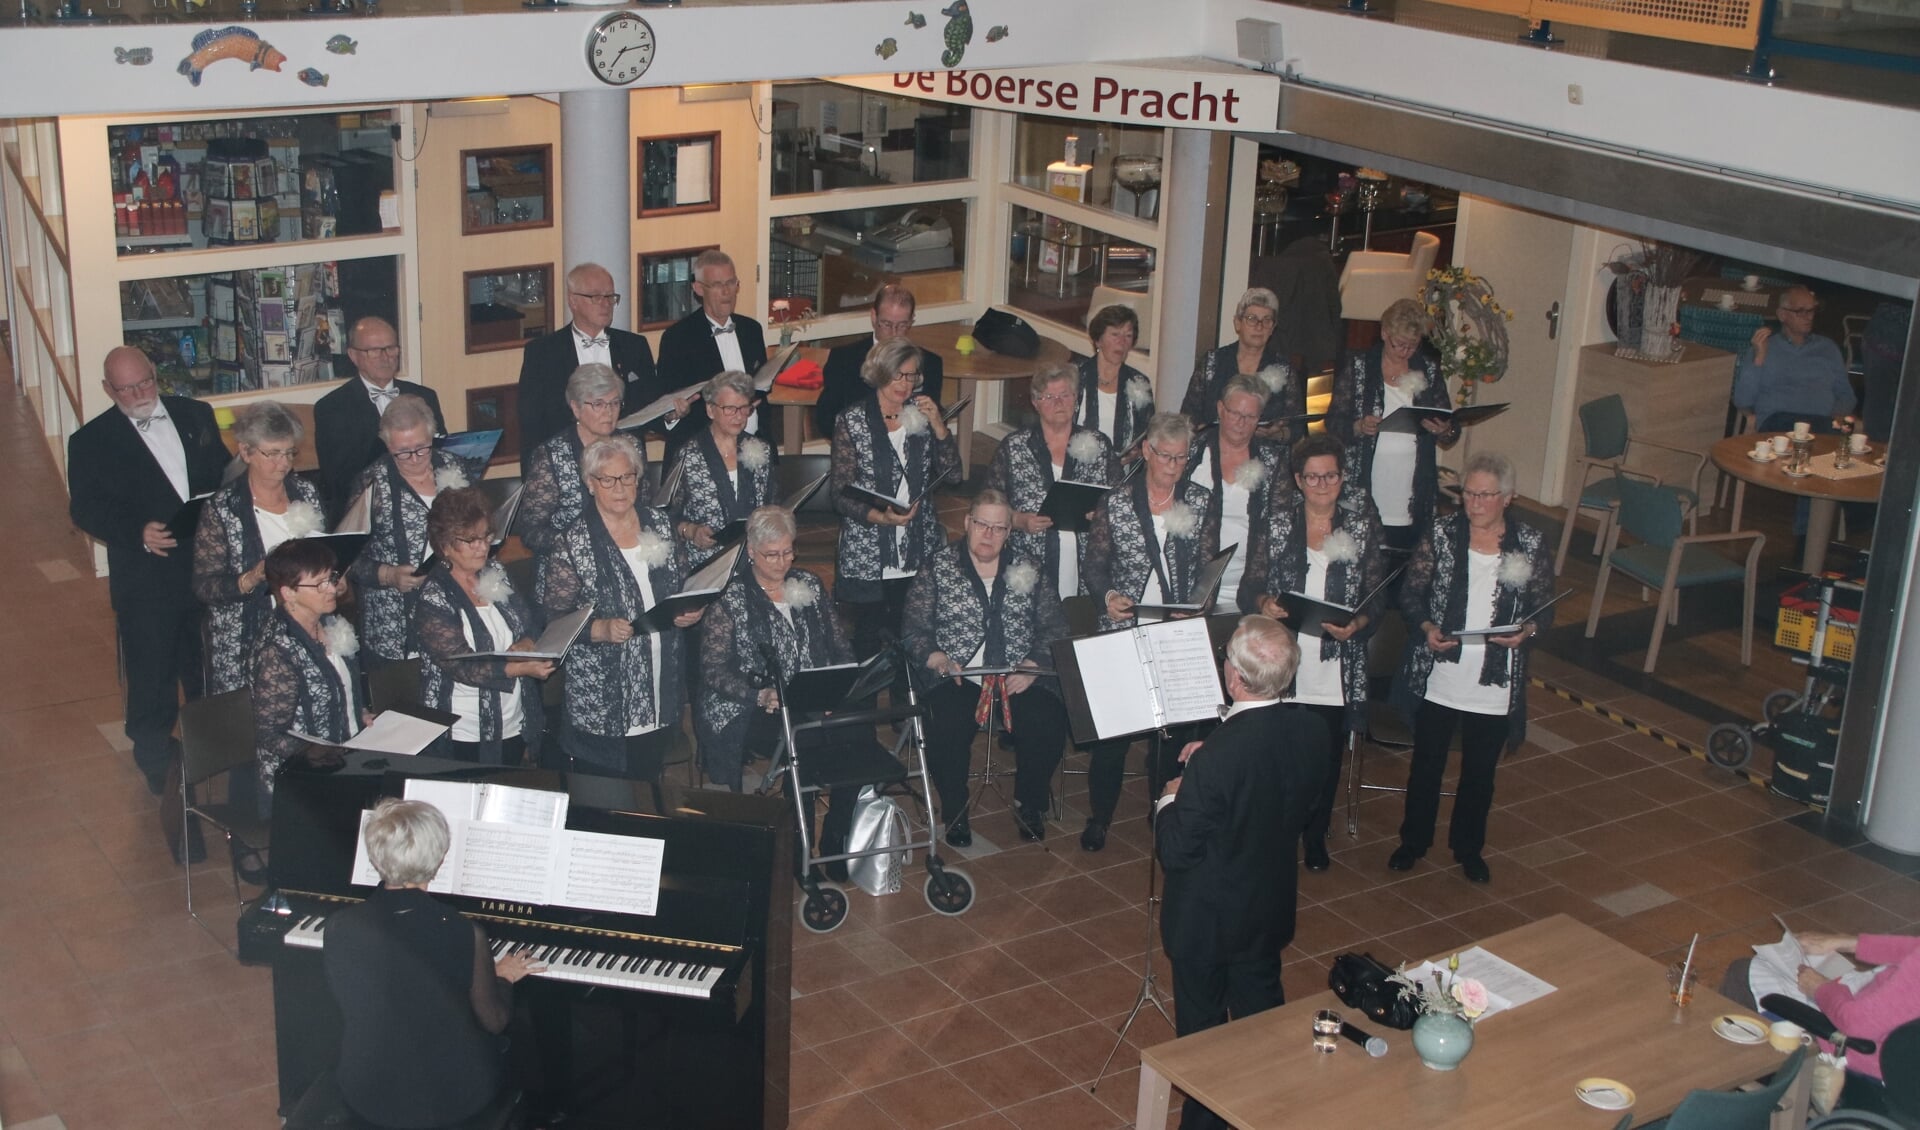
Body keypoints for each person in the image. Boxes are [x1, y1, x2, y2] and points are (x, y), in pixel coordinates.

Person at [1156, 615, 1328, 1130]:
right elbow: (1282, 795)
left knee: (1205, 1039)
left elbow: (1177, 850)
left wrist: (1171, 796)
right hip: (1267, 904)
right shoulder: (1314, 730)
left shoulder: (1217, 760)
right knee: (1261, 1023)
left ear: (1234, 679)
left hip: (1207, 920)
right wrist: (1210, 766)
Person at [67, 346, 230, 794]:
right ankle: (156, 755)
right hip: (146, 577)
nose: (140, 393)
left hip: (204, 564)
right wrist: (138, 532)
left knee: (206, 662)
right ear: (107, 389)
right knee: (152, 668)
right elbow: (85, 508)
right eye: (127, 388)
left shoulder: (195, 413)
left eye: (146, 382)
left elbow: (220, 475)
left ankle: (213, 742)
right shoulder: (90, 441)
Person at [323, 798, 541, 1129]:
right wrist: (503, 978)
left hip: (366, 1087)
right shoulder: (462, 930)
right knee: (518, 1049)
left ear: (375, 855)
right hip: (450, 1099)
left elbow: (382, 990)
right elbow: (494, 1021)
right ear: (439, 861)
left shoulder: (340, 924)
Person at [1388, 452, 1555, 884]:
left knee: (1480, 774)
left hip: (1495, 680)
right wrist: (1426, 627)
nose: (1474, 503)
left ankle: (1468, 848)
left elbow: (1544, 609)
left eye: (1485, 495)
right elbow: (1411, 595)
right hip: (1443, 673)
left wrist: (1527, 632)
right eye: (1467, 493)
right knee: (1426, 765)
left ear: (1508, 497)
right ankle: (1413, 841)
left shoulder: (1531, 543)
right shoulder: (1442, 535)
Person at [1238, 434, 1386, 871]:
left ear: (1343, 477)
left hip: (1335, 665)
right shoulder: (1277, 521)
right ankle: (1273, 834)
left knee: (1324, 759)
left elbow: (1376, 599)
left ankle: (1315, 835)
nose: (1323, 484)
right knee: (1275, 757)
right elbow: (1251, 584)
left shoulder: (1361, 526)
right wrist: (1265, 603)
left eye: (1332, 475)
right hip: (1284, 661)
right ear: (1298, 480)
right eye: (1313, 476)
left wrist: (1357, 624)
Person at [696, 507, 867, 878]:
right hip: (753, 704)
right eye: (772, 554)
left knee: (858, 735)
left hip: (810, 697)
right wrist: (759, 695)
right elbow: (712, 669)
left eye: (789, 552)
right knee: (801, 746)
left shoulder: (808, 583)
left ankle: (836, 839)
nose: (783, 561)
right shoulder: (731, 599)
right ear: (752, 552)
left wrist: (836, 684)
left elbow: (841, 645)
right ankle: (799, 853)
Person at [1079, 412, 1220, 852]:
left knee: (1174, 734)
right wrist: (1107, 598)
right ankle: (1100, 815)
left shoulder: (1200, 499)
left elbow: (1208, 567)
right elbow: (1094, 565)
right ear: (1146, 451)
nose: (1174, 466)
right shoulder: (1117, 501)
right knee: (1114, 735)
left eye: (1182, 458)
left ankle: (1163, 808)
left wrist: (1199, 606)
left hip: (1176, 630)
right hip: (1124, 627)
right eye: (1165, 456)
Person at [901, 490, 1070, 845]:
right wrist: (938, 659)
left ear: (1010, 531)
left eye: (998, 527)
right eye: (981, 524)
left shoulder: (1030, 567)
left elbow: (1055, 627)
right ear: (967, 523)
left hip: (1017, 674)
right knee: (944, 723)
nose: (988, 535)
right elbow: (914, 629)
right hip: (960, 675)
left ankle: (1031, 803)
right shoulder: (938, 566)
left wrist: (1032, 664)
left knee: (1048, 720)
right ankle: (955, 811)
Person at [539, 436, 704, 781]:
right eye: (608, 479)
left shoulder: (659, 525)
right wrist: (598, 629)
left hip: (660, 685)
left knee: (649, 786)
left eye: (628, 477)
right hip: (604, 698)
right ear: (590, 484)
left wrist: (690, 611)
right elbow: (553, 621)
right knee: (608, 798)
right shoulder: (573, 542)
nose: (619, 488)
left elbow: (684, 585)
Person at [830, 336, 960, 691]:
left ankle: (911, 717)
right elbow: (839, 494)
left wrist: (939, 426)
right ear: (879, 373)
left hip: (919, 545)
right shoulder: (852, 420)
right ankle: (864, 726)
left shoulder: (921, 417)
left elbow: (955, 475)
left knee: (914, 633)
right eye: (897, 376)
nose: (905, 385)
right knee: (869, 638)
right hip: (869, 548)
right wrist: (880, 518)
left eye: (911, 377)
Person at [194, 401, 327, 695]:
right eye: (272, 454)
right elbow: (205, 587)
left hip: (307, 626)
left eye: (289, 452)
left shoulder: (306, 493)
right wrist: (250, 578)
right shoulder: (223, 509)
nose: (283, 464)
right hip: (246, 639)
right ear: (246, 452)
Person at [414, 489, 554, 766]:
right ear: (444, 546)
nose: (482, 547)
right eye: (471, 540)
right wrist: (521, 668)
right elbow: (462, 665)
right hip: (464, 730)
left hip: (513, 718)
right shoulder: (434, 596)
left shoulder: (496, 572)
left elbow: (530, 622)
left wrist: (527, 642)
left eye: (486, 537)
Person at [1721, 930, 1920, 1113]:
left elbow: (1857, 1024)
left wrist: (1821, 989)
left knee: (1742, 974)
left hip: (1862, 1064)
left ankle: (1734, 1101)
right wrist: (1849, 943)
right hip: (1895, 1059)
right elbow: (1914, 950)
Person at [1326, 297, 1458, 554]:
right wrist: (1358, 426)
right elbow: (1333, 422)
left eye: (1413, 345)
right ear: (1385, 333)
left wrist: (1444, 430)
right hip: (1367, 482)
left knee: (1406, 561)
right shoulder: (1360, 367)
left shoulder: (1428, 371)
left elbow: (1450, 427)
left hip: (1412, 485)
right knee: (1365, 559)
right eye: (1400, 344)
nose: (1406, 352)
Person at [346, 395, 468, 664]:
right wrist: (388, 575)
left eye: (422, 447)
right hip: (396, 622)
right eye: (402, 452)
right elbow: (348, 559)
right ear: (388, 445)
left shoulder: (454, 466)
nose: (414, 458)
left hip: (454, 605)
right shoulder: (370, 484)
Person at [250, 539, 368, 811]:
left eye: (331, 579)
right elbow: (269, 734)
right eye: (319, 584)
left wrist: (359, 711)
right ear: (288, 593)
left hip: (344, 759)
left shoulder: (328, 622)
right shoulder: (277, 650)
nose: (332, 589)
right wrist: (319, 751)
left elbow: (339, 686)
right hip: (303, 778)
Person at [989, 361, 1115, 600]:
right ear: (1035, 403)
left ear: (1076, 398)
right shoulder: (1014, 446)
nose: (1059, 403)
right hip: (1029, 563)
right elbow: (989, 503)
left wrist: (1102, 515)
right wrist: (1017, 520)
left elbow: (1120, 499)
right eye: (1049, 396)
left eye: (1065, 395)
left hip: (1087, 560)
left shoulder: (1099, 444)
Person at [517, 262, 659, 453]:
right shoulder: (542, 353)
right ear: (573, 301)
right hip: (567, 459)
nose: (606, 304)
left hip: (624, 458)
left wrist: (670, 416)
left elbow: (650, 406)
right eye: (596, 297)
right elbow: (531, 424)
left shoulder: (634, 346)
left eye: (610, 296)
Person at [314, 316, 444, 522]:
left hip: (424, 499)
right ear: (353, 356)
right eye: (374, 351)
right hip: (367, 512)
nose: (385, 357)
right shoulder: (332, 407)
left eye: (391, 348)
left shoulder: (425, 396)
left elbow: (439, 452)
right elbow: (337, 480)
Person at [657, 250, 774, 452]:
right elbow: (667, 404)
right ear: (698, 288)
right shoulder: (677, 338)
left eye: (731, 283)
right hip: (705, 450)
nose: (727, 292)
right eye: (718, 285)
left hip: (755, 445)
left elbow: (761, 386)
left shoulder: (751, 329)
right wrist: (676, 411)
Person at [1184, 373, 1285, 604]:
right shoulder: (1192, 451)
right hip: (1190, 583)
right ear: (1220, 409)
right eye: (1235, 413)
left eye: (1251, 417)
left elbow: (1279, 528)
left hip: (1247, 587)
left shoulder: (1272, 461)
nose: (1241, 423)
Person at [518, 364, 634, 559]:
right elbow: (531, 531)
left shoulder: (631, 447)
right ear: (576, 408)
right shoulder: (550, 455)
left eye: (614, 403)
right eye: (598, 404)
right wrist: (580, 543)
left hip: (625, 552)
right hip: (568, 562)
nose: (609, 412)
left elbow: (644, 507)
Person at [669, 370, 777, 570]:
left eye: (744, 408)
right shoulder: (688, 454)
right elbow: (668, 516)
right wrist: (692, 531)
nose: (738, 416)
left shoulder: (761, 449)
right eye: (730, 409)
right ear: (710, 410)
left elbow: (772, 504)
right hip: (706, 562)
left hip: (755, 558)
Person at [1179, 287, 1303, 445]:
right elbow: (1188, 416)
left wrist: (1276, 434)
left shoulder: (1284, 369)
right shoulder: (1212, 362)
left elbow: (1297, 429)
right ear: (1238, 323)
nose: (1259, 327)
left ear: (1272, 328)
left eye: (1266, 320)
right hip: (1212, 451)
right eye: (1252, 318)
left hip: (1266, 457)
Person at [817, 284, 945, 436]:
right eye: (887, 324)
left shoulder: (930, 363)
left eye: (902, 325)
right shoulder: (844, 359)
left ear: (911, 321)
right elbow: (825, 419)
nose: (894, 333)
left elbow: (931, 421)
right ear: (873, 317)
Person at [1734, 285, 1856, 433]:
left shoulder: (1827, 348)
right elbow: (1743, 401)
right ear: (1782, 315)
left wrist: (1836, 416)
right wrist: (1759, 359)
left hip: (1820, 423)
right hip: (1779, 423)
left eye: (1811, 310)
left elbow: (1847, 395)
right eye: (1800, 311)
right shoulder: (1764, 347)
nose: (1809, 317)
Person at [1075, 304, 1154, 457]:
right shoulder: (1075, 376)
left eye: (1128, 336)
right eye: (1115, 334)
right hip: (1078, 467)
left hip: (1122, 472)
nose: (1122, 342)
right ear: (1098, 340)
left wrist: (1135, 454)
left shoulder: (1139, 383)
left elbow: (1147, 435)